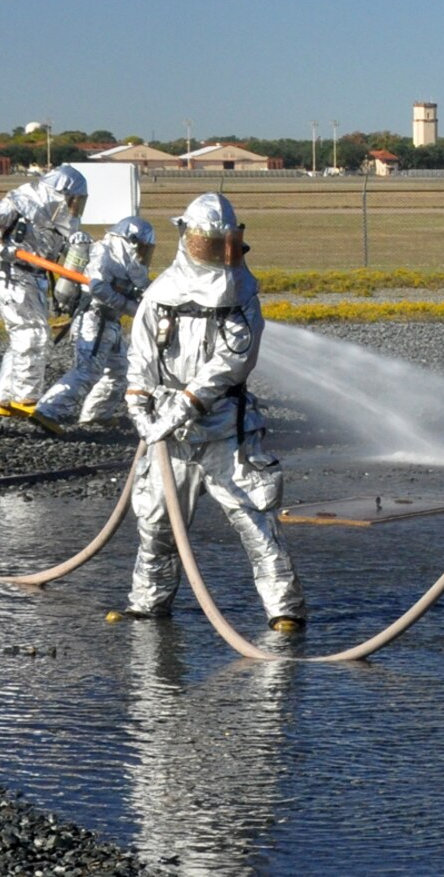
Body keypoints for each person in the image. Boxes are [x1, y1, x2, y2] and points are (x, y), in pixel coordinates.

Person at [113, 193, 303, 631]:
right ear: (187, 239)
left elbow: (231, 363)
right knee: (158, 524)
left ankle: (284, 610)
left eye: (219, 243)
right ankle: (148, 605)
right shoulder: (160, 295)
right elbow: (141, 354)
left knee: (254, 520)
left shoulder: (241, 296)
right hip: (168, 438)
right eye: (205, 242)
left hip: (225, 431)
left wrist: (183, 406)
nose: (212, 252)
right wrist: (138, 404)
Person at [0, 165, 88, 420]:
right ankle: (25, 398)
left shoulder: (60, 221)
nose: (73, 207)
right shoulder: (20, 202)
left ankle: (5, 397)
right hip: (13, 273)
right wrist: (1, 248)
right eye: (71, 200)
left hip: (34, 277)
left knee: (21, 339)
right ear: (57, 194)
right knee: (33, 336)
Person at [30, 216, 154, 434]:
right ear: (130, 241)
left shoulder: (128, 262)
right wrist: (131, 308)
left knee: (120, 371)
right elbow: (97, 287)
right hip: (93, 320)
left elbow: (143, 288)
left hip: (110, 323)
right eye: (143, 248)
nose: (145, 254)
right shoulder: (103, 254)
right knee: (87, 372)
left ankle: (96, 414)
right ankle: (47, 410)